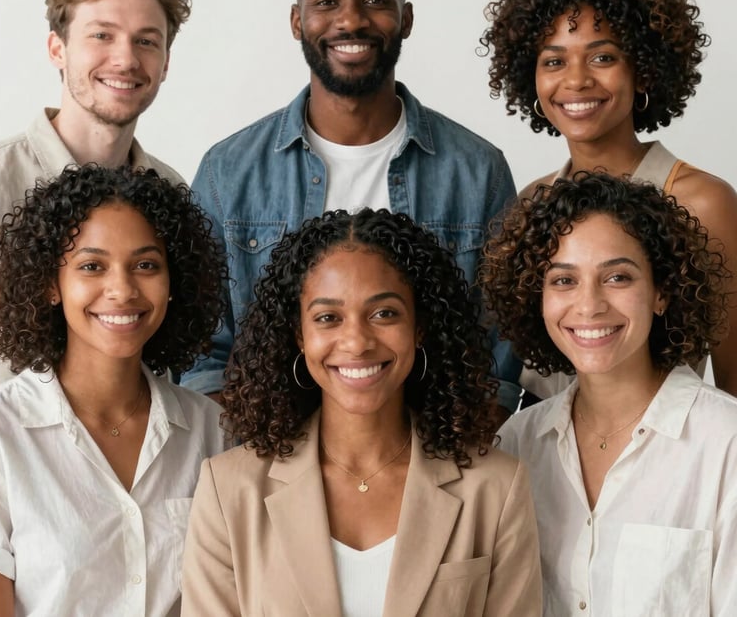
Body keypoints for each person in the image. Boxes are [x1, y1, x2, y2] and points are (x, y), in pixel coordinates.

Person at [182, 0, 521, 421]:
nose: (351, 19)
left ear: (405, 17)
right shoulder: (228, 172)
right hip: (271, 472)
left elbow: (495, 368)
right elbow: (203, 356)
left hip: (435, 469)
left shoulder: (477, 171)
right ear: (298, 21)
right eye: (327, 1)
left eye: (375, 0)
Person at [181, 209, 542, 617]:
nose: (356, 341)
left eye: (384, 313)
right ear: (299, 334)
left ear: (420, 326)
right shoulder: (230, 489)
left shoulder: (495, 487)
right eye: (327, 318)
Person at [0, 165, 229, 616]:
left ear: (174, 281)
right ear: (51, 284)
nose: (122, 289)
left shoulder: (211, 431)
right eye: (92, 266)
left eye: (146, 265)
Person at [479, 0, 737, 401]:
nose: (576, 80)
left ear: (644, 70)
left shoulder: (702, 202)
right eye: (554, 61)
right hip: (543, 454)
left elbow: (734, 376)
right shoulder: (530, 203)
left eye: (602, 57)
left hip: (670, 458)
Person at [481, 172, 737, 616]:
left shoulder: (726, 445)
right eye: (563, 281)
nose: (589, 305)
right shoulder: (517, 445)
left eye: (617, 277)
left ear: (661, 291)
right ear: (535, 297)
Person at [0, 0, 192, 398]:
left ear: (165, 62)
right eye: (102, 36)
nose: (125, 59)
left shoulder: (172, 192)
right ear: (57, 49)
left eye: (146, 40)